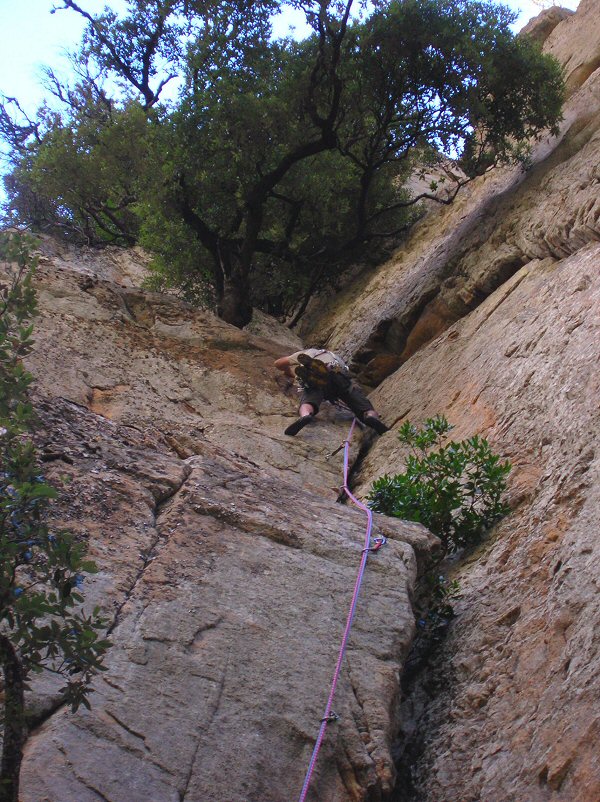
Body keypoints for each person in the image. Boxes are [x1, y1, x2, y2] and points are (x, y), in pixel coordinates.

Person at [274, 347, 389, 437]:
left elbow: (278, 363)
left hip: (315, 382)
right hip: (338, 377)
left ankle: (305, 415)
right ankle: (371, 416)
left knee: (309, 397)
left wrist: (291, 373)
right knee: (358, 399)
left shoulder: (307, 353)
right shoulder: (333, 356)